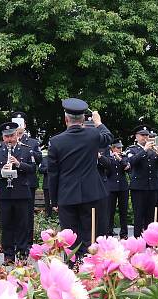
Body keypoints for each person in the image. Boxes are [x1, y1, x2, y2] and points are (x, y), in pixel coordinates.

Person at [47, 98, 114, 256]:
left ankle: (72, 268)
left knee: (70, 238)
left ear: (66, 119)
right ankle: (89, 268)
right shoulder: (92, 135)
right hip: (92, 194)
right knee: (90, 236)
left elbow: (53, 174)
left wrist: (54, 200)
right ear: (84, 119)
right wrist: (98, 122)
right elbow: (108, 137)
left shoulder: (55, 142)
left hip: (67, 195)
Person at [0, 121, 35, 263]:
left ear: (17, 135)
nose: (9, 139)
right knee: (6, 224)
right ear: (3, 138)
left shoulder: (26, 150)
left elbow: (33, 168)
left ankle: (22, 254)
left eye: (12, 136)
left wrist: (18, 164)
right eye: (6, 136)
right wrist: (2, 171)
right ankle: (8, 255)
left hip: (21, 192)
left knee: (22, 225)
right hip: (4, 193)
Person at [126, 124, 158, 237]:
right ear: (136, 137)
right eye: (142, 135)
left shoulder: (154, 150)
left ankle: (149, 241)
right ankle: (137, 240)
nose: (145, 137)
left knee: (150, 216)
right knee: (138, 215)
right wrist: (145, 150)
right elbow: (131, 162)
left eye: (146, 135)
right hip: (138, 188)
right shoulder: (132, 149)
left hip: (153, 187)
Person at [13, 112, 42, 244]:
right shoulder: (7, 141)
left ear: (24, 125)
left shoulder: (33, 142)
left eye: (21, 124)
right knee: (14, 214)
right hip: (12, 182)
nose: (19, 127)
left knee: (28, 214)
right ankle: (14, 240)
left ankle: (28, 242)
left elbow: (39, 159)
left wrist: (25, 147)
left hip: (28, 182)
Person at [107, 140, 130, 238]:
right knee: (110, 211)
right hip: (111, 187)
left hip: (122, 187)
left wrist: (119, 158)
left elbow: (127, 168)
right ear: (112, 148)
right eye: (118, 148)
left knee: (123, 211)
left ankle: (124, 233)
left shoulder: (124, 157)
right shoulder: (108, 158)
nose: (120, 149)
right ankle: (109, 231)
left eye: (121, 147)